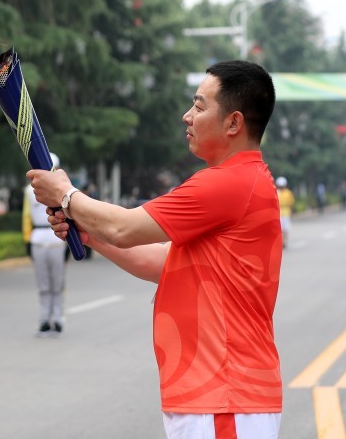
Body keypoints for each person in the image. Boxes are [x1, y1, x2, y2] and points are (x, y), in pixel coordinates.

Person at [28, 60, 282, 439]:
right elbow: (163, 261)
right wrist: (90, 234)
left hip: (224, 398)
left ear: (233, 123)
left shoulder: (230, 183)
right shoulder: (240, 183)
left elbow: (124, 226)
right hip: (211, 396)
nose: (187, 116)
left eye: (199, 106)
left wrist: (66, 196)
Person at [22, 152, 68, 336]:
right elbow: (26, 217)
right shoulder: (28, 191)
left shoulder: (63, 189)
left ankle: (57, 318)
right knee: (43, 283)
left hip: (57, 238)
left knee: (57, 282)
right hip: (38, 237)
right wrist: (27, 239)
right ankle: (44, 318)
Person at [276, 176, 294, 249]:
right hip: (278, 212)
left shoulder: (288, 193)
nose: (281, 187)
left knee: (285, 228)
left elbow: (291, 203)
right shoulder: (277, 192)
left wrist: (292, 213)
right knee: (279, 229)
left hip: (286, 212)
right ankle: (280, 242)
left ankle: (285, 242)